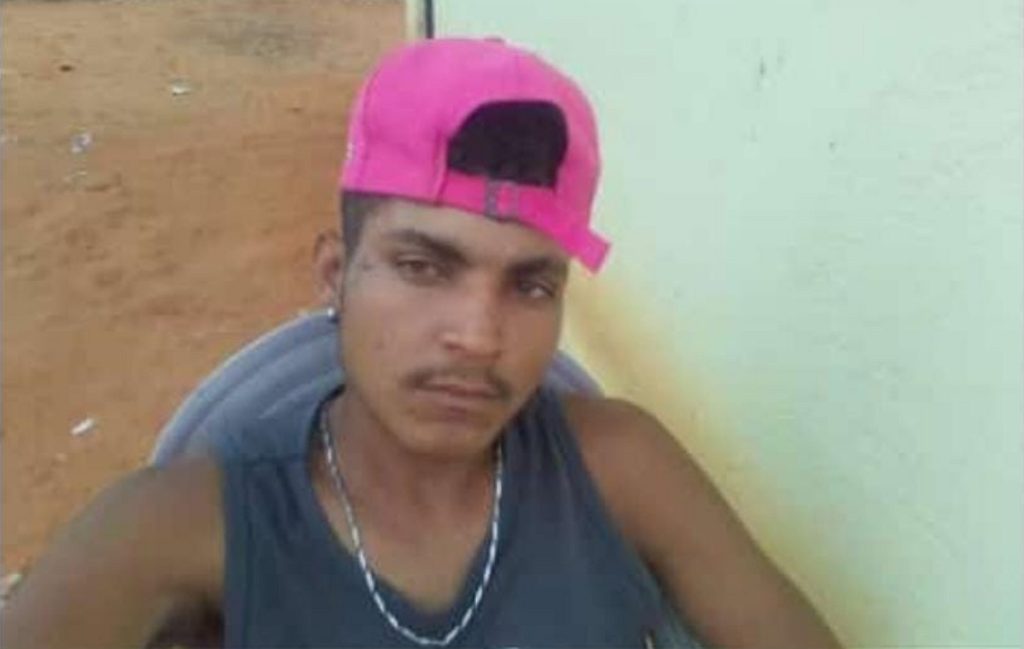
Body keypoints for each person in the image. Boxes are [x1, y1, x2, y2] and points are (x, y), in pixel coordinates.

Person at [1, 38, 842, 648]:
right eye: (423, 266)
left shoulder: (621, 467)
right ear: (335, 275)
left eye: (531, 284)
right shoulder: (181, 529)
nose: (478, 336)